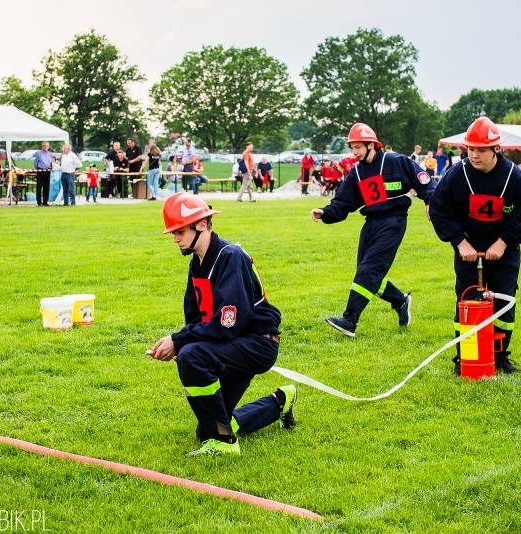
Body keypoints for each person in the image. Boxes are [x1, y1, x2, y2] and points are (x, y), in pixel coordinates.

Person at [149, 193, 297, 456]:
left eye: (179, 231)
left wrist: (181, 343)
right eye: (173, 232)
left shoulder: (231, 256)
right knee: (209, 427)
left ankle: (225, 444)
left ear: (202, 225)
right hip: (234, 342)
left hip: (257, 343)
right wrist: (181, 343)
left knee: (192, 356)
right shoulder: (197, 262)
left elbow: (229, 324)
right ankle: (281, 401)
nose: (174, 239)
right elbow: (195, 319)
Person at [428, 117, 521, 375]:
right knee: (467, 302)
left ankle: (500, 358)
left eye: (481, 150)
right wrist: (459, 242)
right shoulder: (456, 175)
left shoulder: (515, 178)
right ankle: (465, 358)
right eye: (471, 149)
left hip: (504, 250)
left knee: (504, 302)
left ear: (496, 149)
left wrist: (503, 242)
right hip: (468, 249)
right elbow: (439, 210)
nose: (474, 155)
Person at [310, 123, 435, 337]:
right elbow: (343, 201)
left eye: (358, 147)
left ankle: (350, 319)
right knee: (366, 274)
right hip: (371, 223)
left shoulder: (396, 161)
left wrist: (430, 200)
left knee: (369, 270)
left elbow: (424, 180)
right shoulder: (357, 172)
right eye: (353, 148)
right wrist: (325, 212)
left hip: (394, 221)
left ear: (371, 145)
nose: (354, 152)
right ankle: (400, 300)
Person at [34, 141, 53, 206]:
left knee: (46, 186)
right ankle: (39, 201)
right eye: (44, 146)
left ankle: (45, 201)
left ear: (48, 147)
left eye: (47, 146)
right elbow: (36, 163)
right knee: (39, 186)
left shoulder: (50, 154)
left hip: (47, 171)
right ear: (42, 146)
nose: (46, 147)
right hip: (40, 170)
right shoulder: (39, 153)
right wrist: (38, 169)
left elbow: (51, 162)